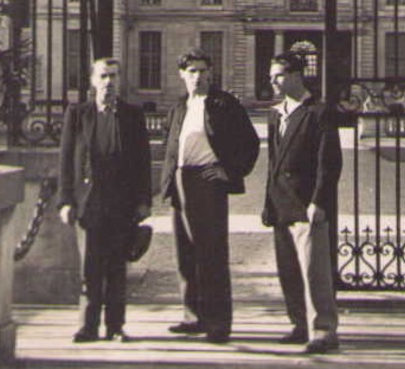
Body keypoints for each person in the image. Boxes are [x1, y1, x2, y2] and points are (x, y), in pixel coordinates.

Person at [160, 49, 260, 343]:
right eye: (192, 71)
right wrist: (167, 183)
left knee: (212, 254)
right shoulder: (178, 107)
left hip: (208, 181)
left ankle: (218, 323)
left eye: (203, 71)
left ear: (211, 73)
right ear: (182, 74)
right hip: (181, 181)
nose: (198, 76)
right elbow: (170, 145)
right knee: (185, 253)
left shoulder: (224, 104)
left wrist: (229, 171)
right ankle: (193, 316)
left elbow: (250, 143)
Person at [57, 57, 152, 343]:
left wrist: (143, 201)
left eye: (113, 76)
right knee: (90, 267)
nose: (108, 82)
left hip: (121, 203)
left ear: (119, 80)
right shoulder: (77, 114)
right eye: (103, 76)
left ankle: (115, 326)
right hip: (89, 203)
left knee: (117, 267)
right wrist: (66, 200)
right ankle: (87, 326)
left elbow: (142, 163)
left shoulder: (132, 115)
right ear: (92, 80)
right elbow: (65, 162)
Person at [262, 51, 342, 354]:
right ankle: (298, 324)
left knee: (314, 271)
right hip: (281, 202)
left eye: (279, 75)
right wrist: (268, 204)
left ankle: (323, 329)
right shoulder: (276, 113)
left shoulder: (318, 112)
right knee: (288, 270)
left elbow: (329, 163)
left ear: (297, 75)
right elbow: (272, 163)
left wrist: (319, 201)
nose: (273, 81)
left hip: (307, 204)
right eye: (272, 75)